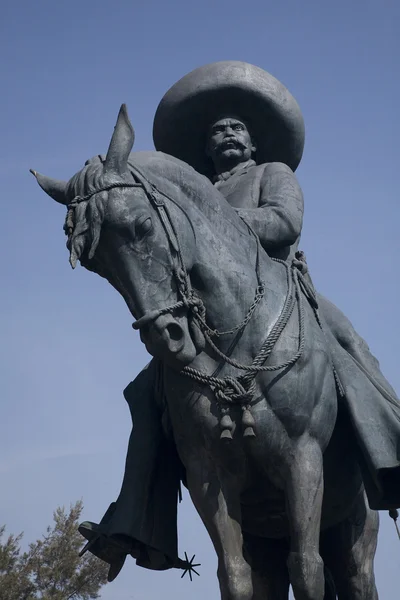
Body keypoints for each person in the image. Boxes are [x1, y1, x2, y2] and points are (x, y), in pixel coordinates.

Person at [79, 61, 400, 581]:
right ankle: (134, 518)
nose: (226, 134)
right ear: (206, 149)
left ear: (253, 141)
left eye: (236, 128)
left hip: (282, 290)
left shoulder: (275, 174)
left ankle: (389, 446)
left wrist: (219, 223)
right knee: (147, 392)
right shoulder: (192, 193)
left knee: (350, 346)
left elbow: (285, 222)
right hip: (210, 322)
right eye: (217, 131)